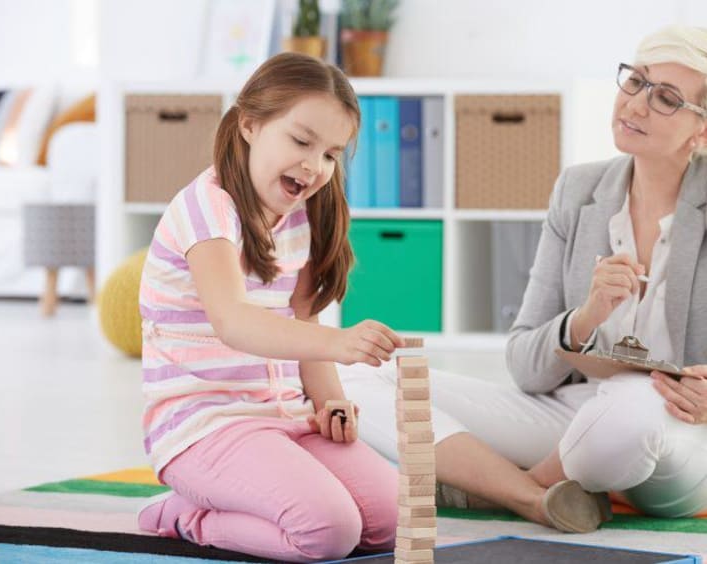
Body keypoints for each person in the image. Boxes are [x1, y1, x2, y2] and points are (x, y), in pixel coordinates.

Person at [341, 24, 707, 532]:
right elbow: (525, 366)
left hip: (680, 434)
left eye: (665, 98)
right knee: (358, 377)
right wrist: (585, 317)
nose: (636, 105)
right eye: (635, 82)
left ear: (702, 131)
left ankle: (511, 486)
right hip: (573, 415)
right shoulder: (579, 190)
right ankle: (533, 496)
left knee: (635, 404)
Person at [136, 52, 405, 563]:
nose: (315, 165)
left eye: (331, 154)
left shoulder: (304, 216)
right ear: (250, 124)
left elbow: (302, 322)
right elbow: (233, 321)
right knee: (327, 532)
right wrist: (342, 344)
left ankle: (258, 492)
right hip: (202, 424)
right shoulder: (205, 209)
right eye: (301, 141)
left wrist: (328, 404)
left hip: (283, 416)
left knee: (392, 520)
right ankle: (184, 514)